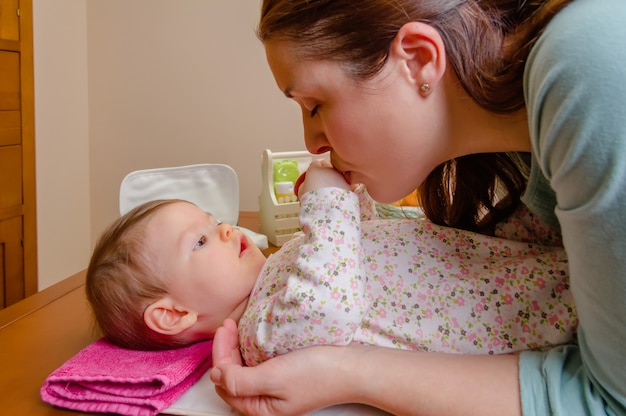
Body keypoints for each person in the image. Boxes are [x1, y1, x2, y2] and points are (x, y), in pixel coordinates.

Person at [208, 0, 626, 415]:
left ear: (418, 60)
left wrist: (350, 373)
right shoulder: (529, 144)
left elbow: (610, 402)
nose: (312, 142)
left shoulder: (589, 70)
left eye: (314, 105)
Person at [86, 159, 573, 360]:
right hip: (533, 305)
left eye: (213, 220)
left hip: (503, 256)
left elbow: (358, 244)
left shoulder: (281, 266)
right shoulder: (261, 333)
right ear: (173, 313)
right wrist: (326, 206)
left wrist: (350, 195)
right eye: (200, 242)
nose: (225, 229)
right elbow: (329, 308)